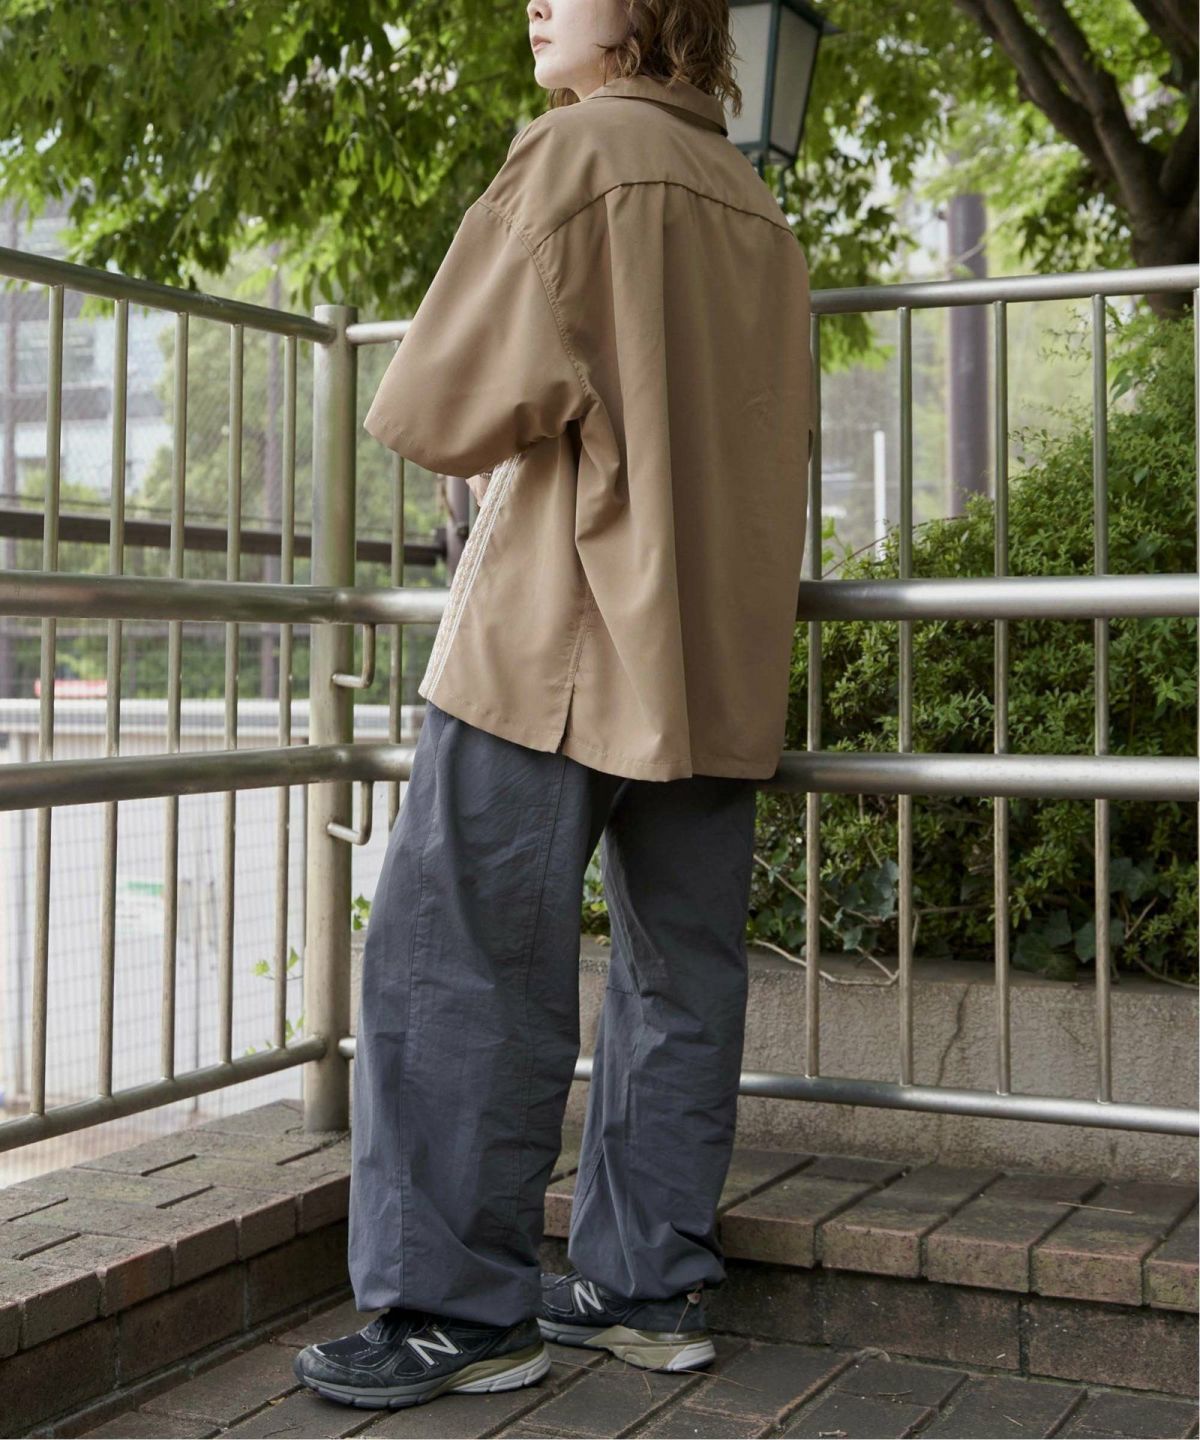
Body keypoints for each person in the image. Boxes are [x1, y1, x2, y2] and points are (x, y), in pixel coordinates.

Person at [294, 0, 815, 1412]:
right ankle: (647, 1289)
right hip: (712, 650)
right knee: (680, 972)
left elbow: (437, 407)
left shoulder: (577, 155)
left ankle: (455, 1312)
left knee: (455, 954)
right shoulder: (754, 202)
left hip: (563, 633)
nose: (537, 1)